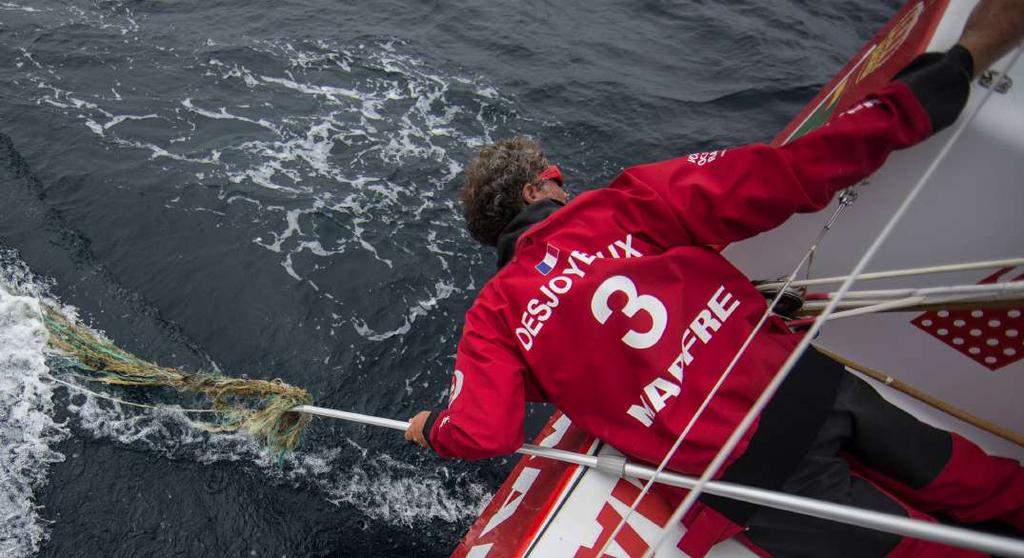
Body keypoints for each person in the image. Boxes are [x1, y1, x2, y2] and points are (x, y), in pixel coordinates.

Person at [406, 1, 1024, 556]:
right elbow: (788, 175)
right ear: (534, 190)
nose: (566, 184)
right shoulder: (620, 204)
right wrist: (949, 73)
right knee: (973, 480)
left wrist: (432, 429)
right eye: (556, 176)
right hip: (805, 384)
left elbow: (485, 432)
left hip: (744, 471)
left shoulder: (494, 315)